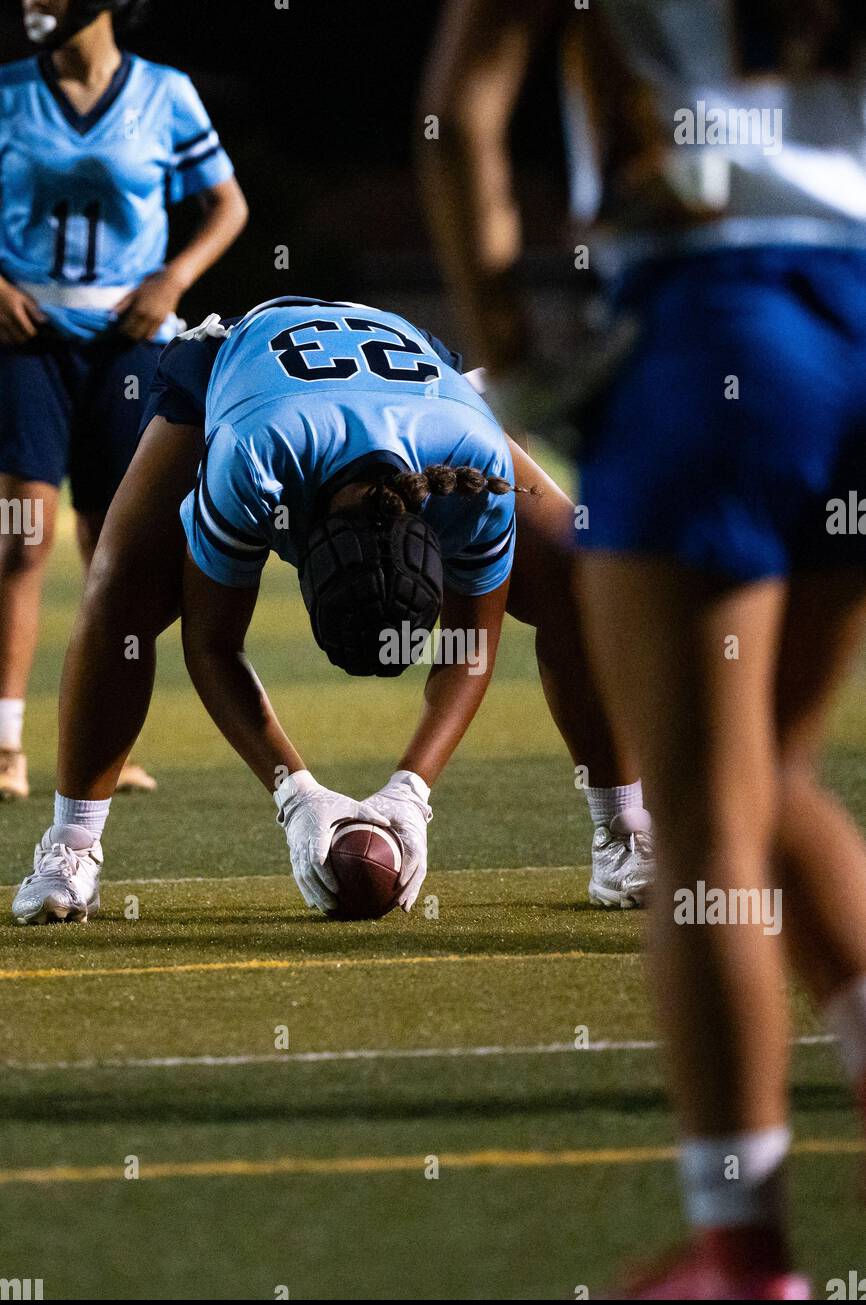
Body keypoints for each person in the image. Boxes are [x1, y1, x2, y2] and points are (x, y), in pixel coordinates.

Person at [421, 0, 866, 1298]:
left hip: (711, 317)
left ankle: (741, 1251)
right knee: (766, 779)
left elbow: (459, 109)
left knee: (702, 824)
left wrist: (503, 347)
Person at [12, 293, 653, 924]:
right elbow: (211, 644)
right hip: (236, 361)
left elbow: (470, 643)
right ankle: (71, 845)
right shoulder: (255, 457)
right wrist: (297, 796)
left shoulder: (472, 466)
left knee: (579, 582)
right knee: (121, 591)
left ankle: (625, 827)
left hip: (422, 384)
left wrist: (412, 792)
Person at [0, 0, 248, 799]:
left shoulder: (165, 93)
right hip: (25, 339)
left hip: (129, 346)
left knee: (117, 550)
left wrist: (171, 279)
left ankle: (104, 747)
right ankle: (6, 746)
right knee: (19, 538)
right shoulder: (7, 91)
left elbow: (228, 204)